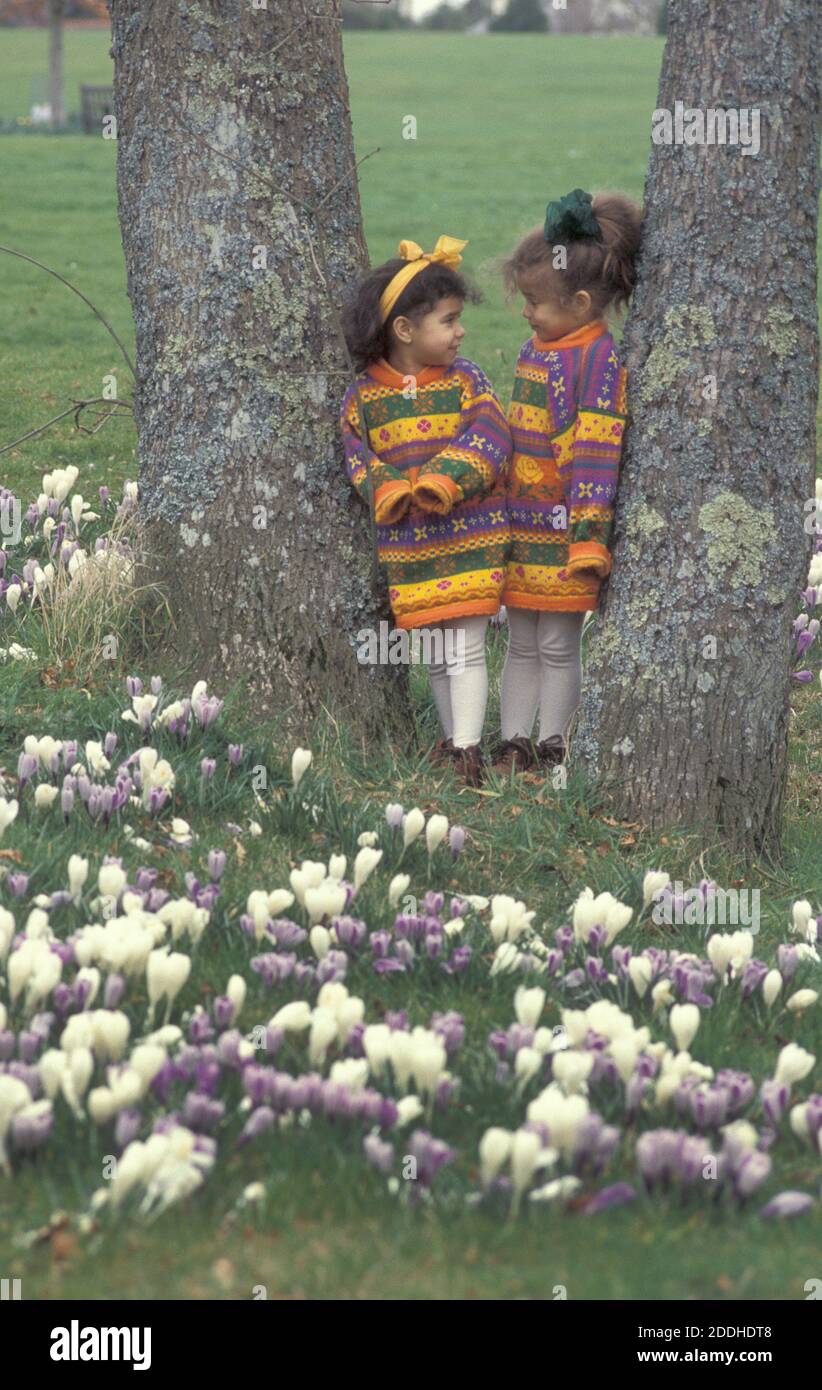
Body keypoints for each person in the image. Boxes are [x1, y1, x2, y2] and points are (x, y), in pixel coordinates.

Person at [340, 236, 512, 786]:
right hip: (411, 544)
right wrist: (385, 487)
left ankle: (469, 751)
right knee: (437, 648)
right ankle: (452, 742)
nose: (461, 331)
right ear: (405, 331)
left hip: (472, 535)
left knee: (464, 643)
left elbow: (491, 434)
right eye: (450, 320)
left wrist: (444, 479)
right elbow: (355, 451)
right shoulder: (365, 396)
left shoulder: (467, 381)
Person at [492, 189, 642, 776]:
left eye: (534, 301)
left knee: (557, 645)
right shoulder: (543, 345)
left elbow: (597, 456)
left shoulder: (595, 361)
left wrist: (587, 536)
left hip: (565, 534)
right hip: (523, 530)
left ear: (581, 303)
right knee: (521, 643)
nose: (526, 312)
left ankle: (552, 743)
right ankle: (512, 742)